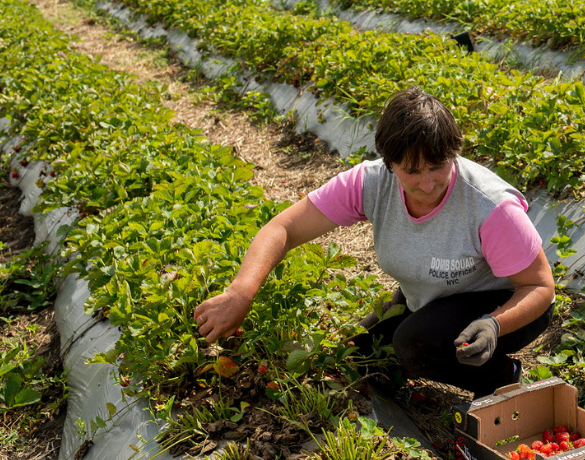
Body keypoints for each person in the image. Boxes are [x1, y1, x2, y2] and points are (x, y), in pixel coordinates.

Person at [193, 87, 556, 397]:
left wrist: (493, 325)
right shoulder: (370, 184)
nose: (428, 183)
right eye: (412, 171)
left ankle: (502, 381)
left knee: (415, 344)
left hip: (504, 304)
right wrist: (240, 293)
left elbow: (540, 287)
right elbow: (283, 229)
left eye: (438, 165)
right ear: (389, 163)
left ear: (454, 152)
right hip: (430, 296)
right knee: (359, 355)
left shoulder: (489, 206)